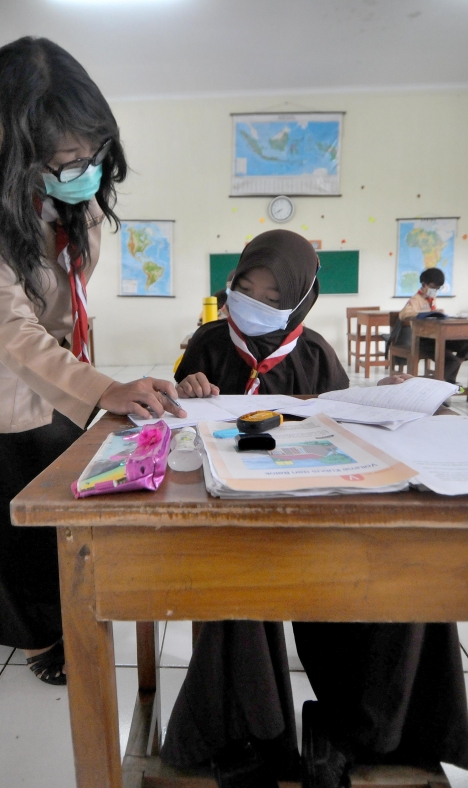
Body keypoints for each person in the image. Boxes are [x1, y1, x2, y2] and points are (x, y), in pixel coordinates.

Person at [161, 231, 468, 788]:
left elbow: (346, 420)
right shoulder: (206, 344)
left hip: (311, 510)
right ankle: (259, 732)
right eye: (243, 286)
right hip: (235, 517)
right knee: (239, 595)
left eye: (272, 294)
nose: (252, 302)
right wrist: (188, 391)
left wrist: (383, 397)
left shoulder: (318, 353)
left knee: (389, 575)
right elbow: (178, 421)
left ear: (301, 299)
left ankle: (375, 730)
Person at [0, 37, 185, 686]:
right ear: (19, 155)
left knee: (62, 497)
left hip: (59, 369)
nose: (85, 167)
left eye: (93, 151)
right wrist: (104, 389)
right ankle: (34, 633)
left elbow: (61, 304)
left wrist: (97, 383)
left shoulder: (76, 197)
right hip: (0, 382)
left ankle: (65, 603)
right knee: (13, 519)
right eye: (67, 158)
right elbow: (14, 335)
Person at [393, 267, 468, 383]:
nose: (435, 290)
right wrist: (423, 314)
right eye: (433, 287)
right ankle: (441, 383)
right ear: (424, 284)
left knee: (464, 344)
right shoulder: (416, 299)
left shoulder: (431, 299)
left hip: (436, 337)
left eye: (438, 288)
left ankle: (449, 376)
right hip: (424, 340)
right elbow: (404, 314)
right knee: (451, 361)